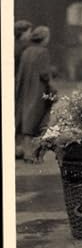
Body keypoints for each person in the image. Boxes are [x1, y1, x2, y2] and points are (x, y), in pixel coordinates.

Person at [16, 26, 56, 163]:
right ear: (44, 38)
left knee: (27, 120)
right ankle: (34, 154)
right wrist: (52, 88)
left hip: (26, 89)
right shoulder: (43, 52)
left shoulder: (27, 51)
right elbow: (45, 74)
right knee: (40, 120)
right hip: (39, 90)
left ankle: (27, 153)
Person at [15, 20, 32, 158]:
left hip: (18, 82)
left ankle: (17, 146)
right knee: (20, 114)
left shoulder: (18, 46)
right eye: (28, 32)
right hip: (19, 84)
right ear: (22, 33)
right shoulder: (22, 48)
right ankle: (18, 147)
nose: (30, 34)